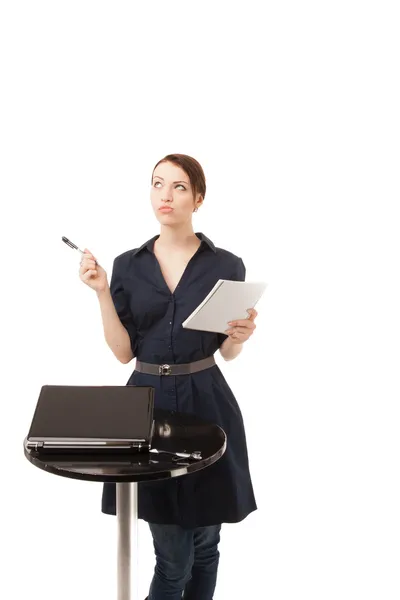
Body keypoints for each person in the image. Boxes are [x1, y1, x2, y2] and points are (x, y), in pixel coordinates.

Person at [79, 154, 258, 600]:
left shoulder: (227, 265)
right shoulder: (128, 265)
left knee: (206, 545)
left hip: (207, 400)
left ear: (198, 198)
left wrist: (242, 334)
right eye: (157, 183)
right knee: (173, 558)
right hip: (147, 403)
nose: (165, 194)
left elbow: (229, 352)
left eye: (178, 186)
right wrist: (102, 292)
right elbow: (123, 353)